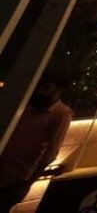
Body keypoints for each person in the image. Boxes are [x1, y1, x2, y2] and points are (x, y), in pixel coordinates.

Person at [0, 74, 73, 212]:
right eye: (40, 88)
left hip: (17, 179)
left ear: (59, 90)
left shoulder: (61, 114)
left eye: (47, 88)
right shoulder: (27, 107)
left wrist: (29, 182)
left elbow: (51, 153)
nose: (41, 92)